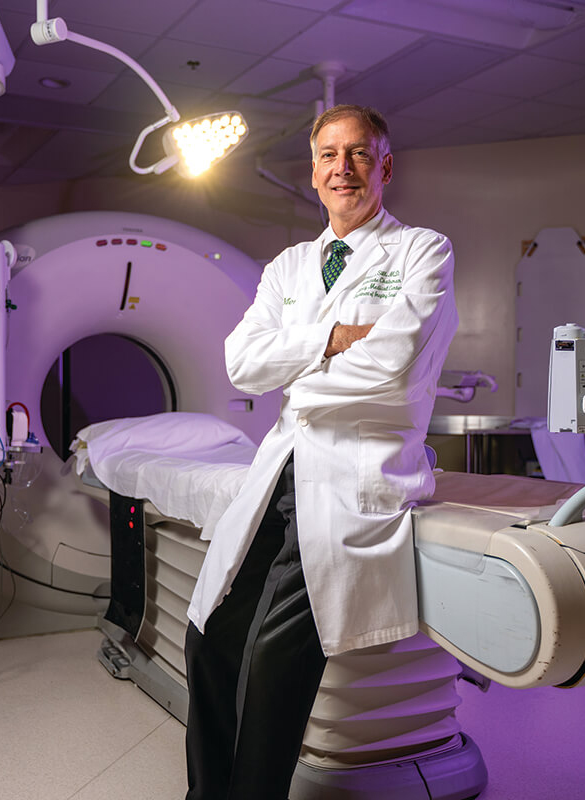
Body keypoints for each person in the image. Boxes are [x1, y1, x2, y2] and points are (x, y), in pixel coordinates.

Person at [183, 104, 459, 799]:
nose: (344, 168)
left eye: (359, 153)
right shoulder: (289, 266)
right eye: (329, 155)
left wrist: (297, 372)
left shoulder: (422, 251)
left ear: (385, 166)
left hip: (354, 479)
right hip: (282, 468)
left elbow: (396, 368)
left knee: (273, 657)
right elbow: (243, 364)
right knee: (208, 632)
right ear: (313, 172)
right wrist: (334, 338)